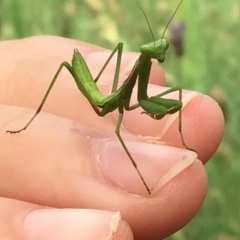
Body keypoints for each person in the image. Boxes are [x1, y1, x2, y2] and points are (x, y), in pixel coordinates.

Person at [0, 36, 224, 240]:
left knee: (175, 94)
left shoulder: (143, 66)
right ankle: (30, 120)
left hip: (109, 94)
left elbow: (143, 100)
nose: (161, 55)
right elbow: (121, 126)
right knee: (66, 66)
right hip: (97, 96)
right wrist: (139, 172)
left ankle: (182, 138)